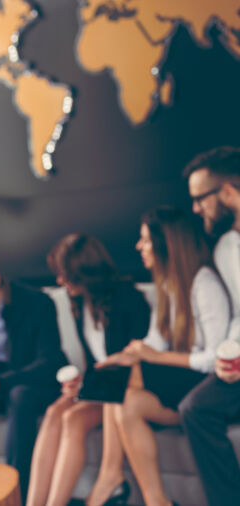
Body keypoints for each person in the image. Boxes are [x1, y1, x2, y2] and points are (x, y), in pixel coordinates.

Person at [89, 207, 230, 506]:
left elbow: (214, 359)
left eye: (145, 240)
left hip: (207, 379)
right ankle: (157, 502)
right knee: (123, 402)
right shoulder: (167, 284)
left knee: (117, 382)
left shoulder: (204, 284)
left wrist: (154, 357)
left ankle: (109, 477)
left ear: (167, 244)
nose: (139, 247)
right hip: (178, 376)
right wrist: (125, 356)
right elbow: (155, 339)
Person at [26, 234, 150, 506]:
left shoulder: (129, 300)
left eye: (64, 274)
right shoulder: (80, 303)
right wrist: (81, 383)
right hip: (103, 386)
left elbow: (135, 364)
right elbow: (97, 363)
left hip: (129, 388)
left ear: (84, 272)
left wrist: (89, 385)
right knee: (55, 409)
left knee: (72, 418)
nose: (59, 281)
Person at [0, 245, 67, 501]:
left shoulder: (38, 303)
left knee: (20, 396)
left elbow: (49, 362)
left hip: (35, 386)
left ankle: (17, 493)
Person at [178, 147, 240, 506]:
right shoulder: (225, 248)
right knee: (195, 408)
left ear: (228, 193)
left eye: (200, 198)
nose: (196, 208)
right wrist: (226, 355)